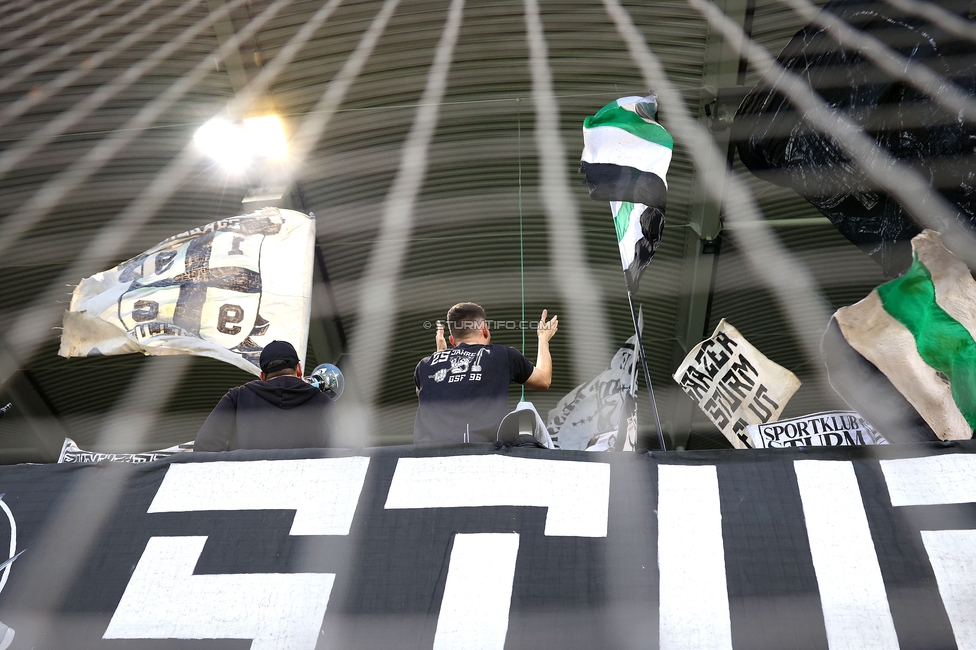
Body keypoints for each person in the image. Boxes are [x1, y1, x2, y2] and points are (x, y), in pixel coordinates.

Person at [414, 302, 557, 443]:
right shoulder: (503, 355)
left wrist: (440, 355)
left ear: (452, 340)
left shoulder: (424, 366)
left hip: (431, 459)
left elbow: (439, 389)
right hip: (483, 456)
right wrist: (543, 338)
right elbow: (544, 380)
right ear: (485, 330)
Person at [194, 340, 334, 451]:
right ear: (299, 369)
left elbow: (205, 445)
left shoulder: (237, 397)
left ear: (262, 376)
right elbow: (343, 453)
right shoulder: (323, 402)